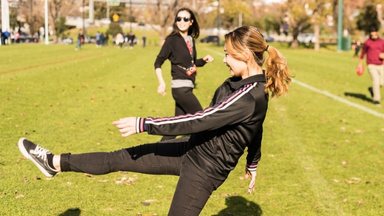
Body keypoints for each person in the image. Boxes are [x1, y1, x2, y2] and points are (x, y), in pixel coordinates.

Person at [18, 25, 291, 216]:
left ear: (245, 55)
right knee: (121, 158)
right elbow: (256, 130)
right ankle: (53, 162)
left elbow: (202, 118)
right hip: (191, 149)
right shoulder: (237, 83)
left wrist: (145, 123)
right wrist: (253, 162)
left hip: (204, 171)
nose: (224, 60)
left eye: (228, 54)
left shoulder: (250, 96)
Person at [154, 7, 214, 141]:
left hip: (187, 86)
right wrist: (161, 83)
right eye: (179, 19)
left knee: (177, 126)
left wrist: (202, 61)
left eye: (185, 19)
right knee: (202, 119)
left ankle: (158, 153)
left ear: (191, 21)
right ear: (175, 21)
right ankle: (202, 153)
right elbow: (158, 62)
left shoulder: (190, 40)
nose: (182, 21)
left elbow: (189, 63)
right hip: (180, 89)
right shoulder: (172, 40)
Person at [358, 26, 384, 107]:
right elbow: (363, 52)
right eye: (372, 33)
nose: (374, 35)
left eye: (375, 33)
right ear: (370, 33)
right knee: (376, 80)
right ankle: (376, 99)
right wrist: (360, 63)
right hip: (371, 64)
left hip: (380, 64)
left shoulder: (382, 41)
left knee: (382, 82)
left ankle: (372, 89)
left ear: (377, 32)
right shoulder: (367, 42)